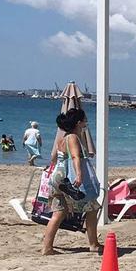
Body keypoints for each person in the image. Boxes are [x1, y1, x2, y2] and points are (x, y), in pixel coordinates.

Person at [42, 108, 102, 256]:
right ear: (78, 122)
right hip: (68, 178)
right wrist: (80, 175)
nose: (86, 122)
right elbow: (75, 157)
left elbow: (54, 158)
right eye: (84, 120)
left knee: (58, 212)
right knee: (92, 207)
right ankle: (93, 244)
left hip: (58, 177)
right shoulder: (73, 138)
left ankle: (47, 247)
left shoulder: (62, 139)